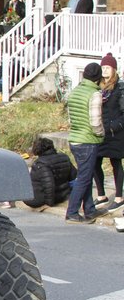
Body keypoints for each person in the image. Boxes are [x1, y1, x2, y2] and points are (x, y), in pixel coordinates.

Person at [65, 62, 105, 223]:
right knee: (83, 178)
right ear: (98, 77)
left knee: (85, 175)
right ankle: (72, 212)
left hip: (75, 139)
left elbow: (70, 118)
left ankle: (89, 210)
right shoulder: (94, 94)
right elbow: (95, 121)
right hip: (88, 140)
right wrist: (101, 134)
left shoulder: (75, 92)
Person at [93, 53, 124, 212]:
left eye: (108, 68)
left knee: (115, 162)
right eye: (103, 67)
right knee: (95, 161)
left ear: (114, 70)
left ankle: (119, 197)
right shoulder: (97, 86)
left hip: (115, 132)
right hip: (100, 131)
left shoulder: (119, 87)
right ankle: (101, 195)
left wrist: (115, 126)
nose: (104, 71)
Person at [22, 136, 76, 209]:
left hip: (46, 198)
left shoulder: (40, 164)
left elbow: (49, 185)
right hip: (64, 194)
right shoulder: (64, 157)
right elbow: (74, 176)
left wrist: (49, 204)